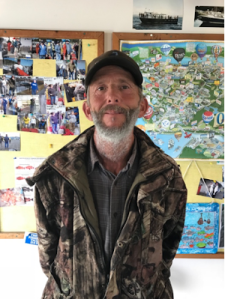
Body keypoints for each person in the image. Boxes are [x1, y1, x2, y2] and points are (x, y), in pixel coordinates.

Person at [26, 50, 187, 299]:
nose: (112, 96)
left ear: (142, 106)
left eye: (124, 87)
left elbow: (166, 251)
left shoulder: (167, 177)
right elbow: (49, 258)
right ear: (88, 109)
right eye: (100, 88)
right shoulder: (54, 175)